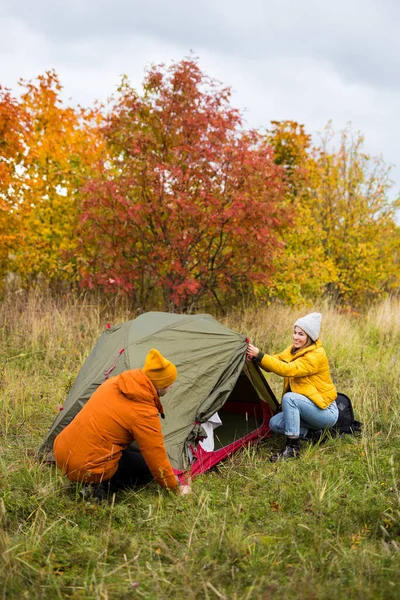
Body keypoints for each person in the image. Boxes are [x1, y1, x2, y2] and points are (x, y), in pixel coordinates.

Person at [54, 349, 191, 498]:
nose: (172, 387)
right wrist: (176, 488)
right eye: (170, 383)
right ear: (162, 385)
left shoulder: (115, 382)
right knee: (146, 467)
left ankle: (90, 479)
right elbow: (156, 456)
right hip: (84, 468)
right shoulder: (144, 411)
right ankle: (99, 488)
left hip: (62, 452)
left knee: (135, 452)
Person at [246, 312, 338, 461]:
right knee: (274, 423)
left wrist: (260, 355)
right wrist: (257, 358)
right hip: (309, 407)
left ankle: (292, 449)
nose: (295, 337)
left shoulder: (315, 355)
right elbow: (276, 362)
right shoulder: (294, 350)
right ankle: (314, 434)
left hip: (325, 412)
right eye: (295, 332)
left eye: (301, 334)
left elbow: (287, 369)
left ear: (310, 336)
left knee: (290, 399)